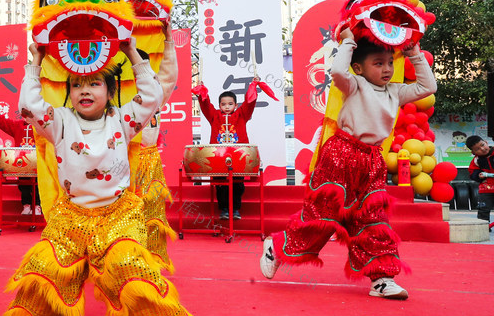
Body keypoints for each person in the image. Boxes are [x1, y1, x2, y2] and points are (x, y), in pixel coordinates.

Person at [3, 37, 200, 316]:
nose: (84, 90)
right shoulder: (59, 122)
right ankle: (42, 314)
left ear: (110, 92)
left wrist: (131, 52)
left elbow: (151, 96)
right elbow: (28, 106)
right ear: (68, 92)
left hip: (117, 216)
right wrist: (36, 62)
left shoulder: (122, 120)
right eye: (77, 84)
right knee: (45, 266)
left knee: (127, 264)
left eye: (94, 83)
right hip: (71, 218)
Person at [260, 29, 437, 299]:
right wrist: (348, 41)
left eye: (390, 62)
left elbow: (428, 88)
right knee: (322, 218)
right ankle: (276, 247)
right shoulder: (355, 85)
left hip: (371, 162)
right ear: (359, 67)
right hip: (339, 155)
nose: (387, 69)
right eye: (378, 63)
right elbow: (339, 73)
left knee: (374, 220)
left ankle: (382, 279)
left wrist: (414, 54)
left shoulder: (395, 92)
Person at [134, 42, 179, 267]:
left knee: (151, 210)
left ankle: (150, 256)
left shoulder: (155, 93)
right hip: (121, 162)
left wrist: (169, 39)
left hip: (149, 160)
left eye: (143, 67)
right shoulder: (114, 95)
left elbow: (169, 74)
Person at [192, 80, 259, 219]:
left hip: (237, 158)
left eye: (230, 104)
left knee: (237, 185)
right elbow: (205, 105)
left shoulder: (242, 115)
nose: (227, 107)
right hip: (218, 158)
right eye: (223, 104)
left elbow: (249, 103)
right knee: (221, 185)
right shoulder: (214, 116)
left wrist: (253, 87)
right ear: (219, 106)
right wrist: (201, 92)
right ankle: (224, 209)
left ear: (235, 105)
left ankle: (235, 209)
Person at [0, 109, 41, 216]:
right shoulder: (17, 126)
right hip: (21, 164)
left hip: (38, 163)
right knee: (23, 185)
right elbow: (5, 123)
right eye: (25, 114)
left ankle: (37, 206)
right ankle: (26, 205)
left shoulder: (40, 127)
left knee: (38, 185)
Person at [466, 135, 494, 230]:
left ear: (486, 142)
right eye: (477, 149)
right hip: (486, 188)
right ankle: (483, 226)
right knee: (483, 208)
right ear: (473, 152)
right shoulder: (476, 161)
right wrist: (478, 175)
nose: (482, 149)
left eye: (482, 145)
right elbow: (472, 172)